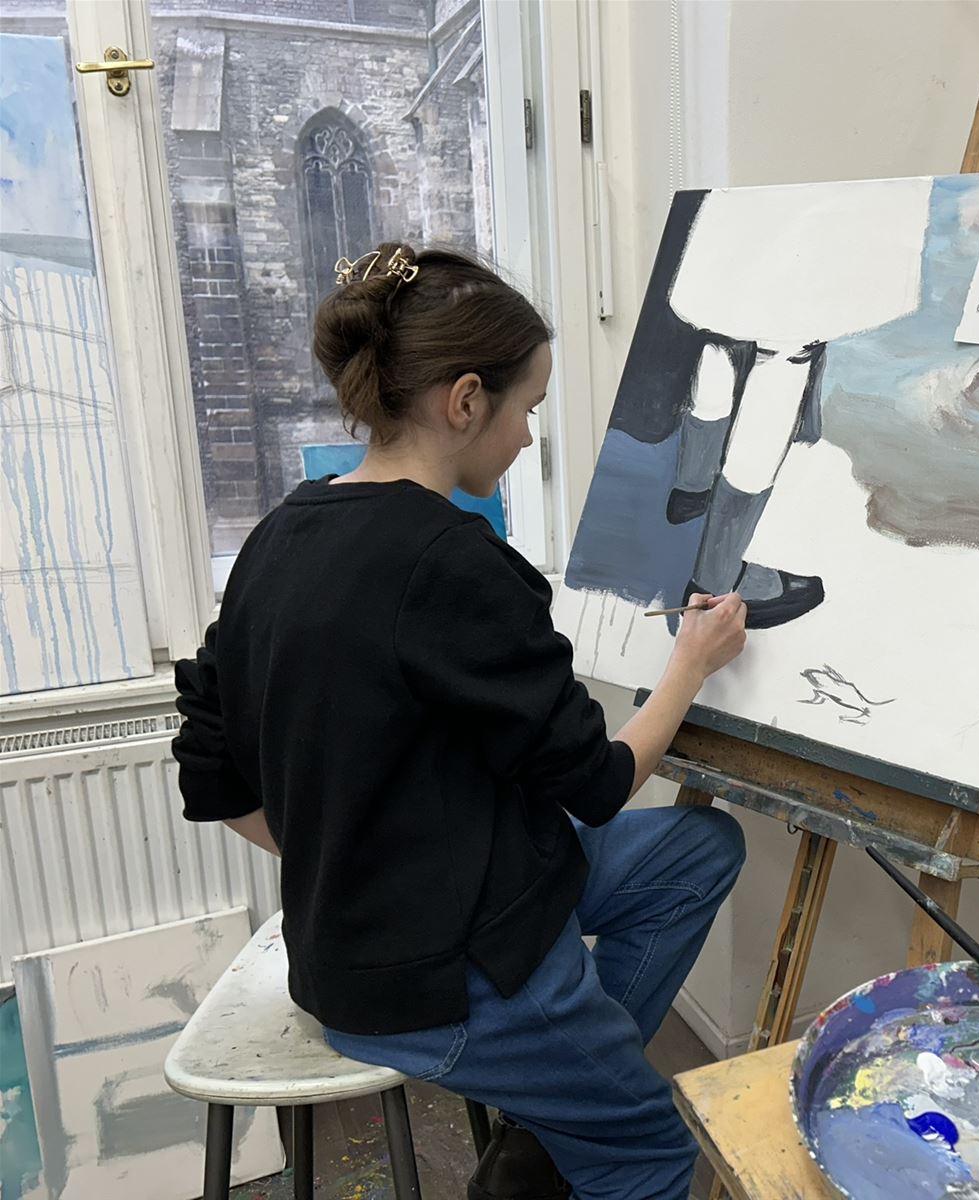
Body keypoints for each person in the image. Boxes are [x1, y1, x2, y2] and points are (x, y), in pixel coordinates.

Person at [172, 242, 749, 1200]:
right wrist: (688, 665)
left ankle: (555, 1107)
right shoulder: (455, 564)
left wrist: (341, 853)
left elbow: (211, 773)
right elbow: (599, 785)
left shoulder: (278, 534)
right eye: (527, 409)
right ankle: (580, 1110)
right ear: (466, 400)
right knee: (652, 1149)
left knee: (698, 849)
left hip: (363, 939)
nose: (527, 438)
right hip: (443, 976)